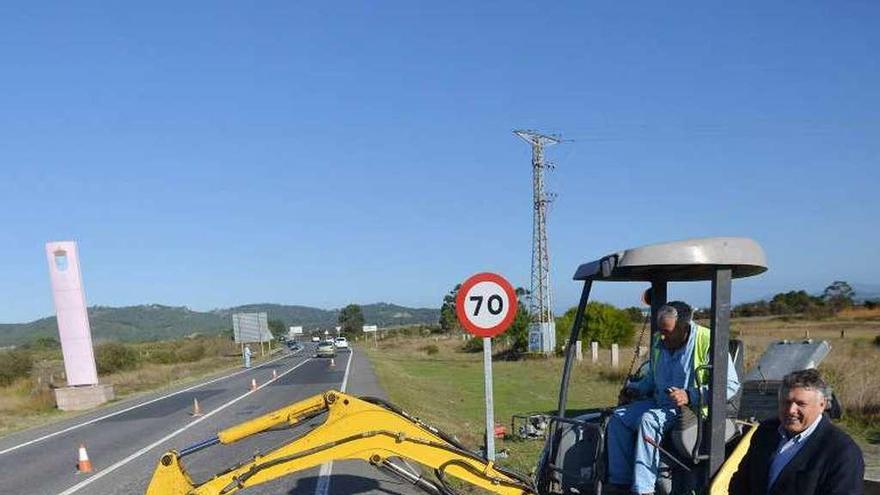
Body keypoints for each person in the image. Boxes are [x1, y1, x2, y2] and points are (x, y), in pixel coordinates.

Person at [606, 301, 740, 495]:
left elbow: (730, 386)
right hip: (660, 402)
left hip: (691, 410)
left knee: (648, 420)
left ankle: (643, 489)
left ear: (684, 327)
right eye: (661, 330)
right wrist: (634, 390)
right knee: (618, 417)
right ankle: (620, 483)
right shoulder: (659, 341)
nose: (662, 335)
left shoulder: (709, 340)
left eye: (667, 331)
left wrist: (690, 395)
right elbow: (652, 379)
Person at [729, 369, 864, 495]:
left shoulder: (842, 452)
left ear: (822, 405)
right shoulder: (766, 432)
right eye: (786, 402)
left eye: (801, 404)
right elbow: (741, 483)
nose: (791, 410)